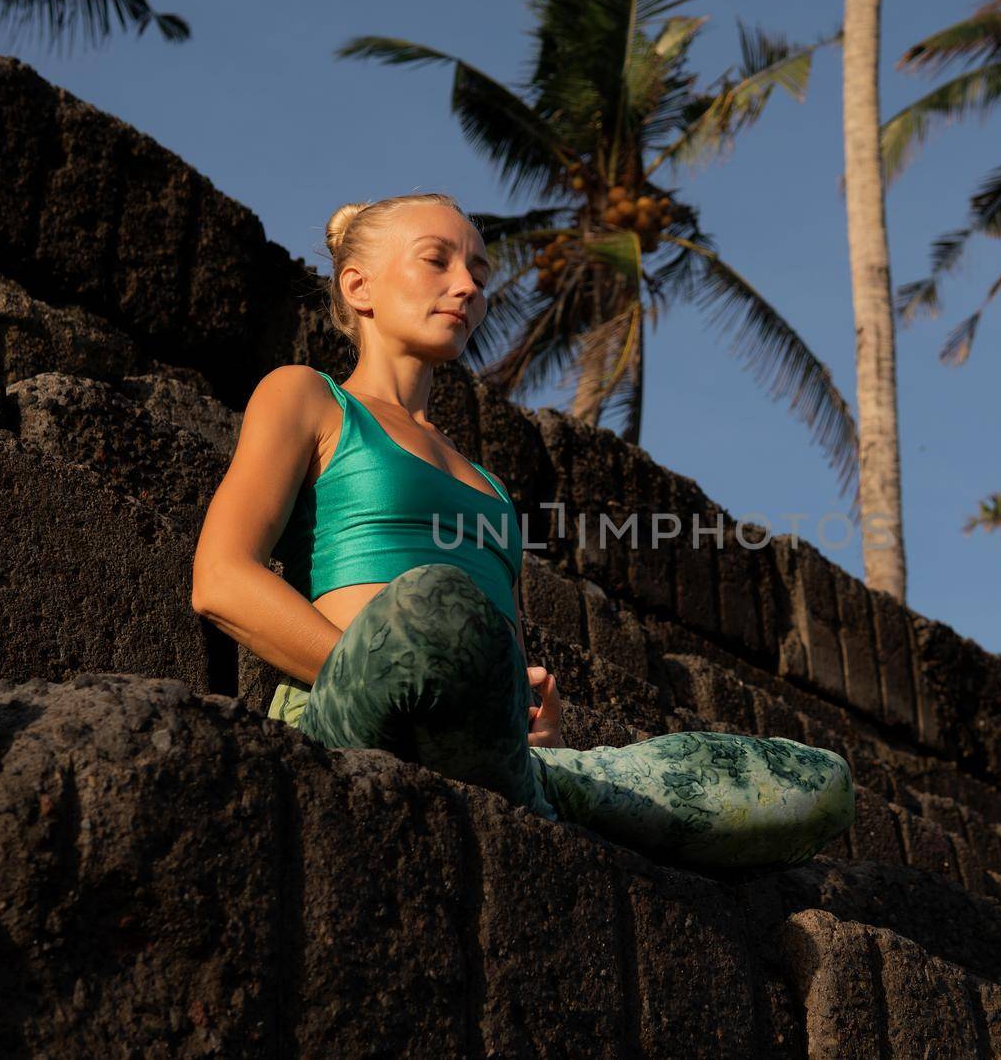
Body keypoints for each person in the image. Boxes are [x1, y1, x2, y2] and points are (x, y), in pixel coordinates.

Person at [190, 192, 853, 870]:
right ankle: (535, 789)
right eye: (438, 261)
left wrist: (524, 722)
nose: (469, 285)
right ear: (357, 286)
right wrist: (416, 680)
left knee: (816, 780)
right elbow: (221, 579)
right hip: (358, 706)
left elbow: (496, 639)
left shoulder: (488, 485)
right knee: (438, 604)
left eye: (478, 270)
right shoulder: (309, 396)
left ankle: (536, 781)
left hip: (490, 741)